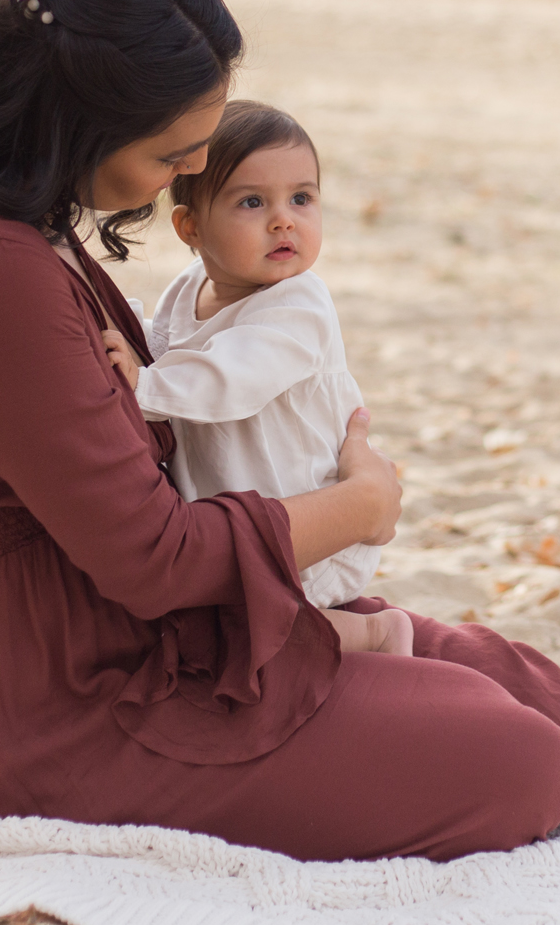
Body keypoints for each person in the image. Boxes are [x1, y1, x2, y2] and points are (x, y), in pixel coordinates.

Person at [0, 0, 560, 861]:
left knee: (526, 685)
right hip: (55, 710)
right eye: (176, 153)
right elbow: (154, 557)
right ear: (85, 118)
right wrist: (360, 504)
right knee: (527, 763)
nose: (189, 173)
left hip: (109, 636)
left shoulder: (8, 229)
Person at [97, 100, 411, 659]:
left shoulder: (299, 304)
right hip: (246, 513)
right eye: (251, 202)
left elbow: (234, 375)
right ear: (190, 226)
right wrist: (130, 337)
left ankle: (373, 634)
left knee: (264, 623)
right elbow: (169, 346)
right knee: (226, 618)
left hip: (311, 522)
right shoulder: (189, 288)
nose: (283, 219)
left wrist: (144, 386)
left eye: (302, 198)